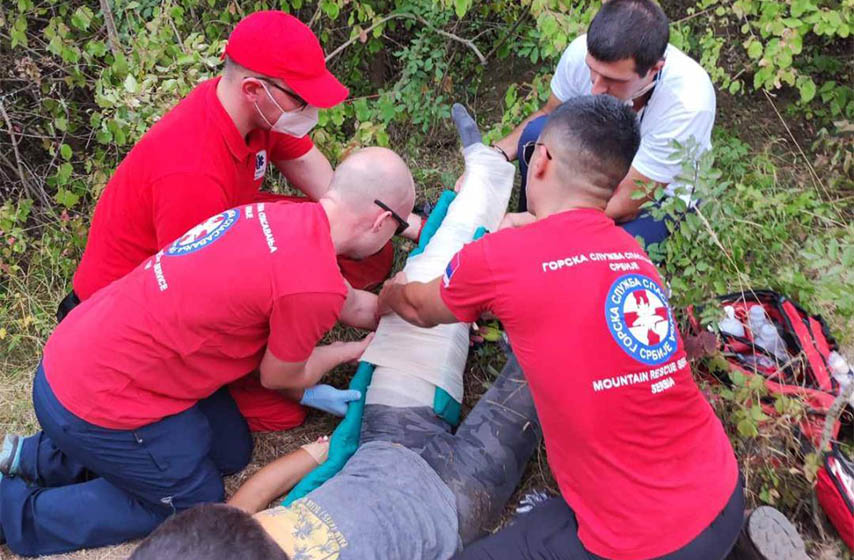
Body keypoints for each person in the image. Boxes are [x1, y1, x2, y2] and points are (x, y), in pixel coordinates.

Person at [124, 105, 542, 560]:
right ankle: (549, 226)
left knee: (418, 309)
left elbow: (244, 502)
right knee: (543, 363)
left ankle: (487, 177)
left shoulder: (219, 543)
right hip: (452, 502)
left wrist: (319, 452)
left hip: (385, 439)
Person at [0, 147, 415, 556]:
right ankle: (13, 512)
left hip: (82, 356)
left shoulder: (283, 218)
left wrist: (405, 306)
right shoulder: (311, 283)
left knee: (230, 448)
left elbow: (355, 304)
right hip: (92, 397)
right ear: (381, 221)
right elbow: (281, 377)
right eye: (398, 229)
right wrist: (348, 351)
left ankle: (39, 455)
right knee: (193, 502)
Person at [378, 96, 743, 560]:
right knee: (550, 519)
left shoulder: (500, 259)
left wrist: (391, 292)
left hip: (645, 544)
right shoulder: (635, 256)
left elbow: (417, 307)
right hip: (723, 488)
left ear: (543, 159)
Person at [59, 10, 423, 434]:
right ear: (254, 88)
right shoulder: (190, 172)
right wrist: (301, 352)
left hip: (232, 232)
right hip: (135, 302)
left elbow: (332, 192)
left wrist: (400, 223)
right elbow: (197, 299)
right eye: (301, 99)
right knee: (280, 410)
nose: (309, 110)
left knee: (369, 255)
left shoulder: (256, 109)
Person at [486, 0, 715, 247]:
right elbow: (548, 112)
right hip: (602, 159)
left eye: (612, 80)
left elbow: (625, 203)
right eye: (592, 71)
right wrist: (492, 157)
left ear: (654, 69)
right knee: (535, 135)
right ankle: (532, 219)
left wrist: (534, 225)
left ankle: (535, 233)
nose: (595, 88)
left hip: (656, 196)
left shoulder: (688, 102)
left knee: (594, 251)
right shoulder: (578, 54)